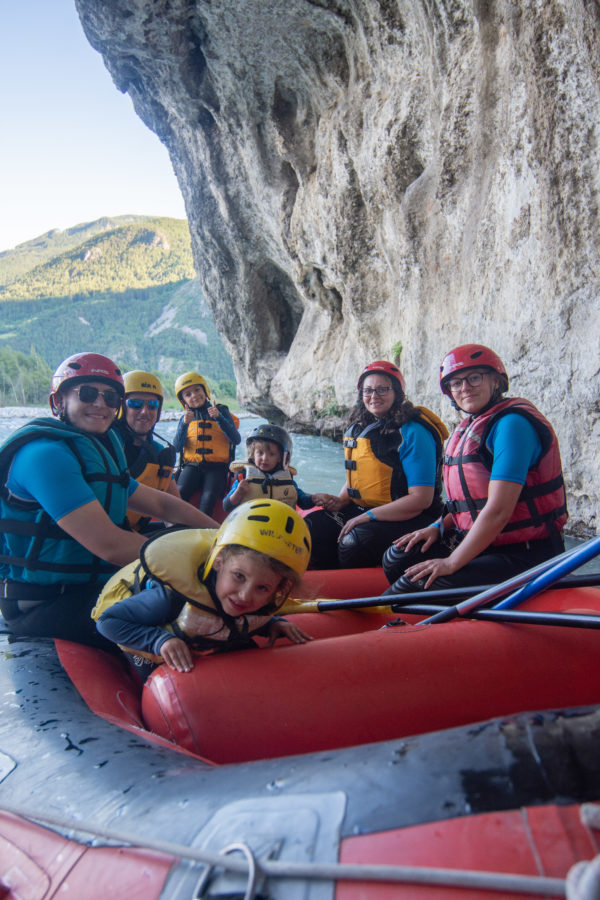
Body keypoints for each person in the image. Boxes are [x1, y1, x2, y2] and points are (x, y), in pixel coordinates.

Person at [0, 352, 218, 649]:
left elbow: (162, 505)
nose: (100, 404)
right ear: (58, 402)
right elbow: (110, 545)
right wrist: (206, 561)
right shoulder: (45, 456)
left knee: (185, 553)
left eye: (111, 397)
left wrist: (224, 537)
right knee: (193, 607)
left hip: (91, 583)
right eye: (87, 394)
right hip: (45, 602)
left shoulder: (98, 450)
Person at [383, 344, 568, 594]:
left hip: (525, 553)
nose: (464, 388)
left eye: (474, 378)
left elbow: (499, 509)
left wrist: (451, 562)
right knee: (397, 557)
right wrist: (437, 527)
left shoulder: (512, 424)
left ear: (495, 380)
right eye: (456, 383)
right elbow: (468, 503)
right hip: (484, 542)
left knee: (410, 587)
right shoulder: (473, 425)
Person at [94, 498, 313, 679]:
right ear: (218, 562)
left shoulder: (255, 599)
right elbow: (108, 622)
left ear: (278, 589)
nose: (245, 595)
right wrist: (158, 641)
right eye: (239, 576)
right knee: (155, 678)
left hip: (202, 635)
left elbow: (242, 619)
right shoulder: (169, 597)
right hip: (148, 641)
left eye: (262, 588)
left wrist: (272, 624)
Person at [304, 361, 448, 569]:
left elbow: (421, 499)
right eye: (368, 390)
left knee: (356, 541)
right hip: (365, 509)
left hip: (413, 516)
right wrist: (342, 499)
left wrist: (367, 516)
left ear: (397, 392)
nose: (374, 396)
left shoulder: (413, 431)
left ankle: (354, 591)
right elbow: (362, 474)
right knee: (313, 526)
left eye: (382, 389)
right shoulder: (361, 427)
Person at [114, 369, 180, 534]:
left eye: (153, 405)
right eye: (135, 404)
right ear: (121, 407)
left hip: (136, 532)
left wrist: (180, 533)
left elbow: (174, 508)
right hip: (107, 538)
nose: (145, 411)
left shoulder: (159, 453)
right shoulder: (107, 446)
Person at [173, 371, 241, 517]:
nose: (194, 396)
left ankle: (203, 532)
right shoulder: (185, 418)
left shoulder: (221, 411)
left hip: (217, 468)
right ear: (184, 400)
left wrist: (219, 418)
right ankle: (175, 528)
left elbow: (236, 439)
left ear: (205, 390)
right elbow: (177, 447)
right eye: (188, 394)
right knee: (180, 492)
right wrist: (184, 424)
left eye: (197, 390)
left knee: (208, 498)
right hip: (192, 466)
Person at [223, 423, 314, 513]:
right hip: (251, 525)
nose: (265, 458)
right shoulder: (243, 477)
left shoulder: (287, 478)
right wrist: (239, 493)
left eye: (272, 454)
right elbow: (227, 506)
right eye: (260, 453)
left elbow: (303, 502)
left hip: (279, 525)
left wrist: (314, 499)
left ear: (280, 457)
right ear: (253, 454)